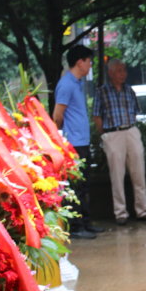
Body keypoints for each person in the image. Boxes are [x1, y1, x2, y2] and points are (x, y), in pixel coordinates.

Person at [92, 58, 146, 226]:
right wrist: (104, 135)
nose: (123, 74)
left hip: (131, 130)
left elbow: (135, 111)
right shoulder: (102, 92)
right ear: (111, 73)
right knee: (117, 175)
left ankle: (143, 211)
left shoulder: (129, 90)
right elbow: (97, 116)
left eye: (124, 70)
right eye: (119, 70)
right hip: (113, 133)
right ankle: (120, 213)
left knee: (138, 172)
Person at [53, 44, 103, 239]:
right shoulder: (66, 84)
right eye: (89, 61)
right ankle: (75, 226)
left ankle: (85, 223)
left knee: (84, 185)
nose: (90, 65)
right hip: (73, 143)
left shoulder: (77, 83)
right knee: (76, 187)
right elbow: (57, 115)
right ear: (80, 62)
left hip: (82, 142)